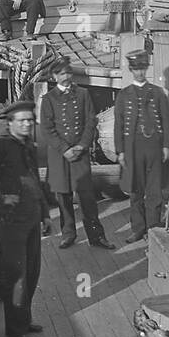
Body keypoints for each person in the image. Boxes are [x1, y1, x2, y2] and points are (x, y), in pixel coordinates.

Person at [0, 102, 46, 337]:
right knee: (17, 275)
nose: (27, 124)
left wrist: (45, 214)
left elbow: (34, 180)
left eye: (29, 120)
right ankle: (14, 329)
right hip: (11, 221)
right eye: (21, 120)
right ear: (10, 122)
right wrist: (0, 196)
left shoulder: (27, 144)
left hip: (32, 217)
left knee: (32, 273)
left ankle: (23, 320)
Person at [40, 56, 113, 250]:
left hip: (79, 154)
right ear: (54, 76)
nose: (66, 77)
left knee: (87, 197)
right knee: (63, 197)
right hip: (59, 155)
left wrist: (81, 146)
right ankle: (68, 234)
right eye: (62, 73)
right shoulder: (48, 99)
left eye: (68, 73)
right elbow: (47, 129)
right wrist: (65, 149)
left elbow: (91, 121)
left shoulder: (83, 94)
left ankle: (97, 236)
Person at [114, 49, 169, 244]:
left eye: (142, 68)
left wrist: (166, 146)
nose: (140, 72)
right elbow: (119, 124)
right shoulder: (124, 95)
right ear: (131, 70)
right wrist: (120, 150)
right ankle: (138, 229)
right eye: (136, 69)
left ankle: (153, 229)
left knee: (154, 190)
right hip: (133, 148)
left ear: (146, 68)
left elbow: (166, 121)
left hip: (154, 147)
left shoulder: (158, 93)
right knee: (135, 191)